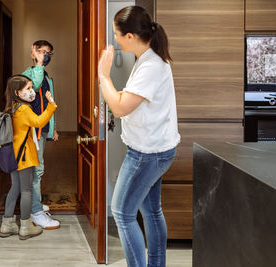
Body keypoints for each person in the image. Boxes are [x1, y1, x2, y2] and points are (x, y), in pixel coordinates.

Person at [98, 6, 180, 267]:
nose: (115, 40)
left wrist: (103, 75)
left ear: (130, 36)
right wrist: (117, 95)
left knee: (121, 213)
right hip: (157, 149)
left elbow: (120, 107)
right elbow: (126, 100)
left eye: (116, 34)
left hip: (148, 154)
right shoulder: (148, 59)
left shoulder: (151, 66)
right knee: (151, 211)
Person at [0, 74, 57, 240]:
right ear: (17, 92)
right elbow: (38, 122)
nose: (32, 92)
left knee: (15, 187)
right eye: (29, 89)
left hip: (14, 155)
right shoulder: (23, 109)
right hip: (24, 157)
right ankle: (25, 226)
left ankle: (7, 224)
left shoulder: (13, 107)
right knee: (26, 190)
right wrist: (51, 106)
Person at [22, 40, 60, 230]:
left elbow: (49, 103)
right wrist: (38, 64)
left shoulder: (46, 76)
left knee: (39, 170)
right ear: (33, 53)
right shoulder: (28, 75)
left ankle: (34, 204)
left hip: (42, 129)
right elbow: (34, 88)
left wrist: (52, 128)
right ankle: (36, 213)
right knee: (36, 172)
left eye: (48, 53)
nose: (45, 56)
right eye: (41, 52)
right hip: (32, 131)